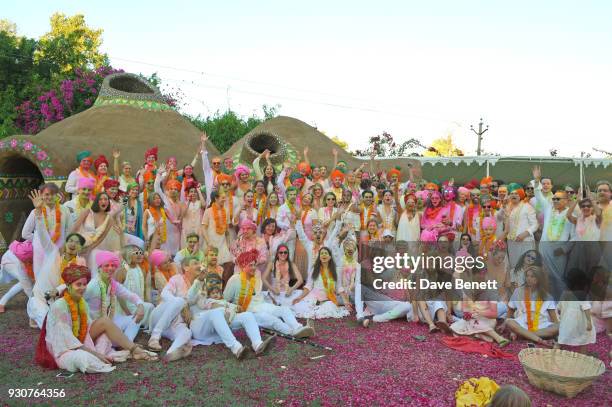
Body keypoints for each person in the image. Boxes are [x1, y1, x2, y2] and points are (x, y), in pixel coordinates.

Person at [35, 264, 157, 373]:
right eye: (78, 284)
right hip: (65, 347)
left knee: (105, 325)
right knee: (83, 358)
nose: (82, 288)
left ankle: (134, 349)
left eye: (84, 284)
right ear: (68, 286)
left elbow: (87, 326)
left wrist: (140, 304)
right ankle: (105, 354)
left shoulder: (81, 301)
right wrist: (95, 353)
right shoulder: (59, 305)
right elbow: (66, 338)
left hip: (81, 338)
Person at [224, 249, 313, 338]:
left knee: (284, 309)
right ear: (243, 266)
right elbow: (225, 299)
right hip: (249, 312)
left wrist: (270, 298)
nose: (254, 267)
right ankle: (292, 332)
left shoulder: (256, 277)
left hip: (261, 305)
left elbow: (258, 295)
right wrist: (235, 309)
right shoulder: (234, 279)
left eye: (255, 265)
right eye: (250, 265)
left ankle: (298, 328)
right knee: (273, 320)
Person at [191, 271, 273, 358]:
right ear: (205, 283)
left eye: (217, 283)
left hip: (217, 327)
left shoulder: (221, 299)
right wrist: (197, 281)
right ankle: (236, 348)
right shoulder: (200, 294)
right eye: (211, 282)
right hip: (200, 328)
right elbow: (190, 298)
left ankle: (258, 345)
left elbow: (233, 308)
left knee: (247, 315)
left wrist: (235, 308)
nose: (214, 284)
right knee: (216, 312)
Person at [84, 251, 150, 342]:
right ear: (99, 268)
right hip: (93, 325)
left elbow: (131, 295)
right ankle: (124, 343)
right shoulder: (93, 285)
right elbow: (78, 299)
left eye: (113, 266)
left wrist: (140, 305)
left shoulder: (113, 284)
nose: (110, 268)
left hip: (110, 320)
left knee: (137, 318)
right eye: (106, 266)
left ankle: (127, 342)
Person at [146, 257, 198, 361]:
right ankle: (154, 337)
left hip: (175, 324)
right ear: (186, 267)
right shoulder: (177, 278)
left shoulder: (199, 284)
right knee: (178, 301)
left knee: (187, 332)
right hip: (159, 317)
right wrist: (182, 305)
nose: (199, 265)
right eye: (195, 263)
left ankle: (171, 352)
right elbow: (165, 294)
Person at [72, 192, 124, 277]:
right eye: (101, 199)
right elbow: (74, 229)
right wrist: (72, 245)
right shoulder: (87, 212)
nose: (103, 201)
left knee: (94, 253)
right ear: (96, 201)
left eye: (106, 199)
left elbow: (101, 238)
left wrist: (89, 249)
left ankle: (95, 281)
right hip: (81, 244)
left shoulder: (109, 218)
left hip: (97, 246)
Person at [291, 247, 352, 319]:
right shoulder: (314, 269)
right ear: (319, 257)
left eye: (326, 253)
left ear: (330, 257)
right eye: (322, 253)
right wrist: (300, 297)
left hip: (328, 300)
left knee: (330, 308)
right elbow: (308, 286)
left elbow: (339, 287)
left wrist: (346, 302)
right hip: (313, 298)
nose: (324, 255)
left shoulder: (335, 271)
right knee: (300, 308)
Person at [505, 266, 559, 346]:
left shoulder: (547, 296)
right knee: (509, 322)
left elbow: (554, 319)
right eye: (527, 276)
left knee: (558, 327)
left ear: (539, 279)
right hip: (523, 323)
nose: (528, 278)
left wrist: (557, 329)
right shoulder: (518, 291)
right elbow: (510, 310)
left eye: (532, 276)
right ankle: (540, 340)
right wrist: (504, 324)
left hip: (541, 325)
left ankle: (525, 334)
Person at [556, 268, 596, 353]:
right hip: (580, 322)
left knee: (562, 338)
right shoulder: (582, 294)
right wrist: (589, 321)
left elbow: (559, 307)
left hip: (567, 321)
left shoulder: (565, 293)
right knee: (584, 340)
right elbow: (586, 308)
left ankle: (555, 351)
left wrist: (560, 318)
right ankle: (583, 356)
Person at [201, 192, 234, 282]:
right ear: (216, 198)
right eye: (222, 197)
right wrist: (208, 242)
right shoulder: (208, 211)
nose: (224, 199)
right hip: (211, 243)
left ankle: (222, 288)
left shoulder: (226, 211)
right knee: (209, 266)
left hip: (222, 243)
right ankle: (209, 288)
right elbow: (203, 228)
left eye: (225, 198)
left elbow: (227, 231)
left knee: (228, 264)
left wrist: (229, 243)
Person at [504, 183, 538, 269]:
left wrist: (525, 234)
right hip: (512, 242)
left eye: (516, 193)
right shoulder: (508, 209)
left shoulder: (527, 207)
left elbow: (535, 224)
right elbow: (506, 228)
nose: (513, 195)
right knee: (514, 265)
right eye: (511, 193)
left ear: (521, 195)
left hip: (525, 241)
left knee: (526, 266)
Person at [0, 240, 34, 313]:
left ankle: (1, 302)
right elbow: (26, 283)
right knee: (25, 281)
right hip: (10, 261)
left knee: (28, 281)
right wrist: (35, 301)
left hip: (15, 258)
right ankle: (1, 303)